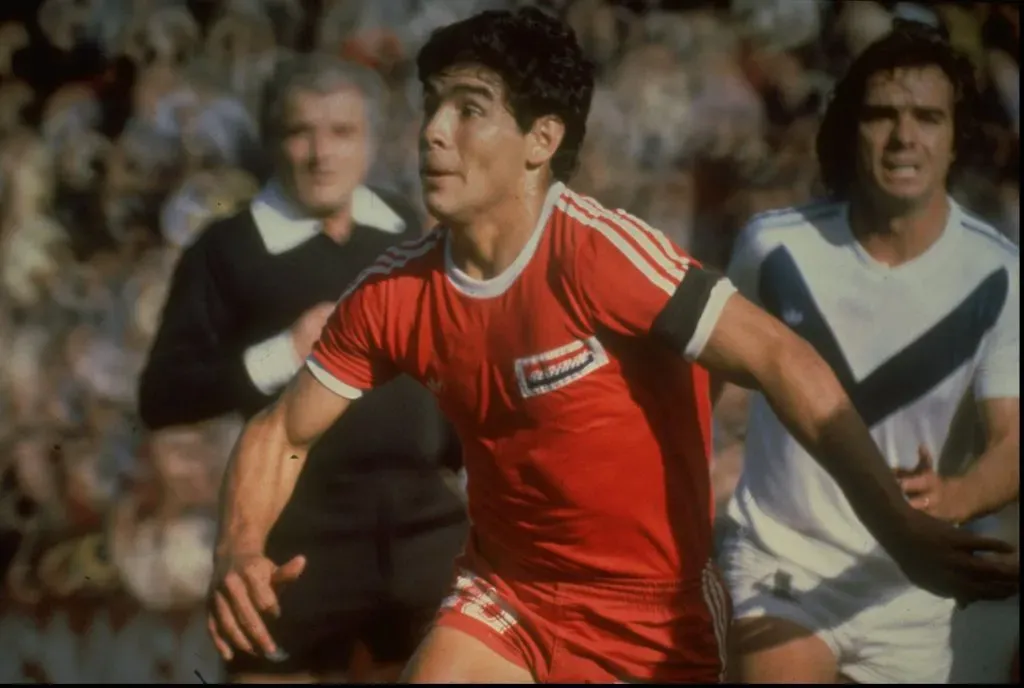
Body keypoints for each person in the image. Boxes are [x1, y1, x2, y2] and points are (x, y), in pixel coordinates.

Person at [207, 9, 1019, 684]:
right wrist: (240, 546)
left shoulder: (602, 254)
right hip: (510, 596)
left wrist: (901, 531)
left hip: (653, 614)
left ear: (540, 139)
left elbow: (781, 358)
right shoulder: (395, 290)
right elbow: (281, 432)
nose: (432, 134)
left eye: (468, 108)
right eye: (430, 105)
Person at [138, 54, 468, 684]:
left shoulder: (405, 225)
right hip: (296, 534)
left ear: (370, 142)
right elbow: (163, 396)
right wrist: (282, 353)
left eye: (342, 132)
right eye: (301, 132)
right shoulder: (226, 247)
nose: (321, 154)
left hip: (424, 526)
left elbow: (440, 366)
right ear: (272, 141)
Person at [716, 22, 1020, 684]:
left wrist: (957, 495)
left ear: (953, 138)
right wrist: (705, 464)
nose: (904, 137)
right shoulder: (772, 248)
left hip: (906, 587)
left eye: (927, 118)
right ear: (853, 131)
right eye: (882, 115)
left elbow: (1013, 441)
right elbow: (702, 382)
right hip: (782, 554)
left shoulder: (999, 273)